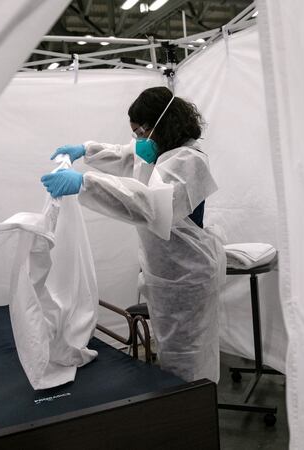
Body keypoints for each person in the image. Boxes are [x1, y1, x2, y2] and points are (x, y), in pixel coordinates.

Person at [40, 86, 224, 383]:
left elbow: (151, 204)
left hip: (188, 275)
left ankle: (195, 414)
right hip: (167, 273)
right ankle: (181, 406)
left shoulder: (189, 161)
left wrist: (84, 184)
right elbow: (126, 156)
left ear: (163, 124)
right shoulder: (159, 152)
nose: (138, 140)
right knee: (170, 351)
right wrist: (85, 150)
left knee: (188, 354)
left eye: (142, 132)